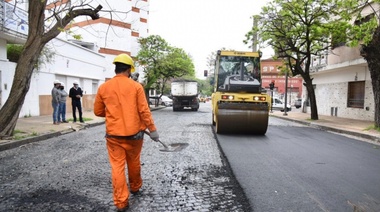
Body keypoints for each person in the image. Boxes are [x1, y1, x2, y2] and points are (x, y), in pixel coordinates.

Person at [94, 53, 159, 211]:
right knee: (134, 161)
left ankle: (121, 202)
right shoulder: (136, 87)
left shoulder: (104, 87)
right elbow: (144, 111)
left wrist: (113, 113)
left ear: (116, 68)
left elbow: (97, 111)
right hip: (135, 135)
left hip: (113, 136)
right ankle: (135, 187)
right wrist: (152, 129)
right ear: (129, 69)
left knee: (117, 167)